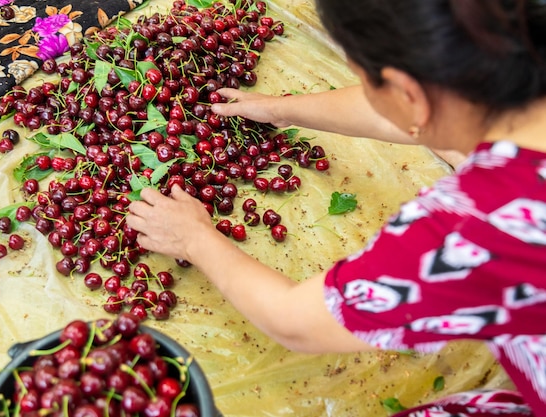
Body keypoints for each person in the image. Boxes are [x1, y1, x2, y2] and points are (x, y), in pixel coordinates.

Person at [126, 0, 546, 415]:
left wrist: (195, 238)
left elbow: (297, 322)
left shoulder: (479, 226)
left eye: (367, 80)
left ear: (408, 91)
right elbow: (411, 113)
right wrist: (278, 108)